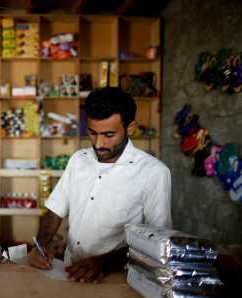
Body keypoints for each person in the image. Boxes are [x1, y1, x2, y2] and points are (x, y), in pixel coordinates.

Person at [29, 87, 172, 283]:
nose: (98, 144)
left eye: (109, 135)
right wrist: (41, 245)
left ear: (130, 128)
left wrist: (104, 263)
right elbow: (55, 210)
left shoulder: (153, 172)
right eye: (92, 133)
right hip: (71, 270)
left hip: (116, 276)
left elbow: (158, 240)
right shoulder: (79, 159)